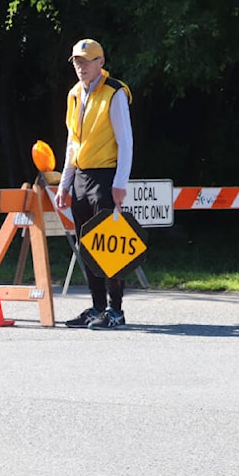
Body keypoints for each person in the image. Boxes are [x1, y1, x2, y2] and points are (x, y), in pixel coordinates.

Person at [55, 38, 133, 330]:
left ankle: (116, 309)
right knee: (86, 244)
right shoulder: (75, 94)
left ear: (101, 62)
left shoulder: (114, 92)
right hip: (82, 177)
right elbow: (72, 142)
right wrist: (65, 183)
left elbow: (125, 142)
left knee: (109, 245)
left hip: (106, 175)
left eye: (86, 61)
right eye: (77, 61)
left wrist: (120, 182)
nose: (81, 67)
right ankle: (97, 305)